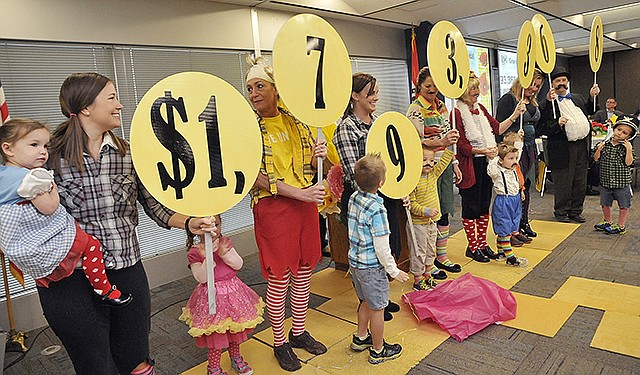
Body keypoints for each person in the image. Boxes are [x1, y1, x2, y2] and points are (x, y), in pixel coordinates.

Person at [41, 72, 215, 375]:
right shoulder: (49, 159)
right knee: (95, 364)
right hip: (71, 280)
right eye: (111, 98)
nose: (120, 105)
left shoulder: (130, 153)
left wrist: (191, 223)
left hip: (126, 268)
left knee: (135, 356)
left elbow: (154, 205)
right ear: (85, 108)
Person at [245, 56, 327, 372]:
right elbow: (253, 175)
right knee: (279, 277)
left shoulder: (297, 122)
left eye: (260, 86)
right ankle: (279, 341)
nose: (253, 93)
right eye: (249, 88)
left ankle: (298, 332)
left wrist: (318, 158)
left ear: (277, 89)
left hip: (304, 205)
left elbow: (311, 166)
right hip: (273, 208)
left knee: (305, 269)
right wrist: (300, 193)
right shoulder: (249, 129)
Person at [0, 118, 131, 306]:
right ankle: (103, 289)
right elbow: (49, 207)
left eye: (45, 146)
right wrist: (51, 187)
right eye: (34, 145)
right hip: (40, 234)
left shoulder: (4, 174)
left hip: (16, 240)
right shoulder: (31, 178)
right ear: (8, 149)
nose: (43, 151)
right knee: (90, 244)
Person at [333, 72, 401, 322]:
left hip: (386, 194)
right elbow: (354, 174)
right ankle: (369, 304)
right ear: (355, 96)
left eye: (376, 91)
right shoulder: (346, 129)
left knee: (390, 247)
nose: (376, 97)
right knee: (367, 255)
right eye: (370, 92)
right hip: (364, 199)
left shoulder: (379, 122)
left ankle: (381, 299)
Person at [453, 72, 525, 263]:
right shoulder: (456, 113)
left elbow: (498, 129)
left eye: (477, 87)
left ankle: (482, 243)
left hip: (486, 163)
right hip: (470, 164)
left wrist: (515, 115)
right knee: (471, 206)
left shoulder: (481, 108)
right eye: (472, 88)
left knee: (485, 205)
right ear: (463, 92)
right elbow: (460, 145)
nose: (476, 91)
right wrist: (482, 150)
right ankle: (473, 246)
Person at [179, 215, 264, 375]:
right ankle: (213, 368)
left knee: (235, 329)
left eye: (216, 224)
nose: (213, 229)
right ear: (196, 229)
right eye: (207, 226)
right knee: (216, 336)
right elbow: (201, 277)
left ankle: (236, 358)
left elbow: (239, 264)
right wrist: (207, 257)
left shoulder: (225, 242)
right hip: (212, 297)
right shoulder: (195, 251)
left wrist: (225, 254)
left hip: (233, 293)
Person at [347, 153, 409, 364]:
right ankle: (378, 349)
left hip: (356, 263)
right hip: (373, 268)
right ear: (381, 183)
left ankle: (361, 337)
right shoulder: (377, 209)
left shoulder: (354, 198)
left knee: (365, 301)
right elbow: (382, 247)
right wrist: (394, 271)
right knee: (378, 308)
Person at [406, 67, 462, 274]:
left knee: (445, 208)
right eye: (427, 86)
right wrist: (440, 141)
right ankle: (427, 261)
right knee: (429, 211)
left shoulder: (442, 107)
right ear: (419, 86)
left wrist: (454, 162)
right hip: (426, 167)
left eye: (435, 85)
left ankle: (442, 255)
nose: (432, 89)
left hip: (445, 163)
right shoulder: (415, 109)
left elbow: (450, 137)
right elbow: (414, 141)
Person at [537, 66, 600, 223]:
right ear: (552, 84)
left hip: (581, 146)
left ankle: (576, 211)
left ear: (568, 82)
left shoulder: (577, 98)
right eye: (558, 81)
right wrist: (557, 123)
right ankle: (561, 211)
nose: (561, 83)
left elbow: (590, 110)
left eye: (564, 80)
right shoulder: (546, 104)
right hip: (562, 148)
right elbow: (542, 128)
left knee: (580, 180)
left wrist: (592, 97)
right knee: (564, 182)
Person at [495, 69, 544, 238]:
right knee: (514, 188)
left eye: (537, 86)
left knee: (526, 186)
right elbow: (498, 129)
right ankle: (511, 227)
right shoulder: (509, 99)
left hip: (529, 149)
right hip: (513, 151)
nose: (534, 88)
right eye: (532, 84)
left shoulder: (533, 101)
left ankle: (523, 221)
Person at [407, 145, 453, 290]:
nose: (429, 163)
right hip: (418, 224)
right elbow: (411, 204)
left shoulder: (433, 175)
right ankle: (418, 280)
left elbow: (445, 161)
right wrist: (425, 211)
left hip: (432, 222)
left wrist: (451, 145)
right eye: (424, 160)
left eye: (432, 160)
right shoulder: (412, 181)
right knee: (418, 252)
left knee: (430, 250)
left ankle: (428, 275)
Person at [593, 115, 638, 235]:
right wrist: (599, 149)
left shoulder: (626, 147)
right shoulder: (605, 144)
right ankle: (608, 221)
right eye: (619, 130)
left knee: (623, 204)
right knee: (605, 203)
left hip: (621, 182)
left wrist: (628, 149)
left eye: (624, 133)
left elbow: (629, 163)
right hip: (606, 181)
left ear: (628, 136)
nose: (620, 134)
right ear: (614, 128)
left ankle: (621, 225)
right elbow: (596, 159)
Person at [487, 143, 529, 267]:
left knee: (510, 226)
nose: (514, 161)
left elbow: (518, 153)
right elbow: (491, 169)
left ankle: (501, 253)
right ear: (501, 160)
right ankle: (510, 257)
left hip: (515, 201)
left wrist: (519, 142)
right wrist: (493, 158)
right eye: (510, 159)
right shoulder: (497, 171)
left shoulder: (513, 169)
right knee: (504, 229)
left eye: (515, 158)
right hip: (504, 202)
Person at [500, 131, 532, 246]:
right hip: (506, 196)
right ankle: (507, 236)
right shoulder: (502, 167)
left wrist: (522, 189)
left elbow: (519, 178)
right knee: (506, 217)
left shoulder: (515, 164)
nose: (515, 160)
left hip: (516, 193)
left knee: (516, 215)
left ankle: (515, 232)